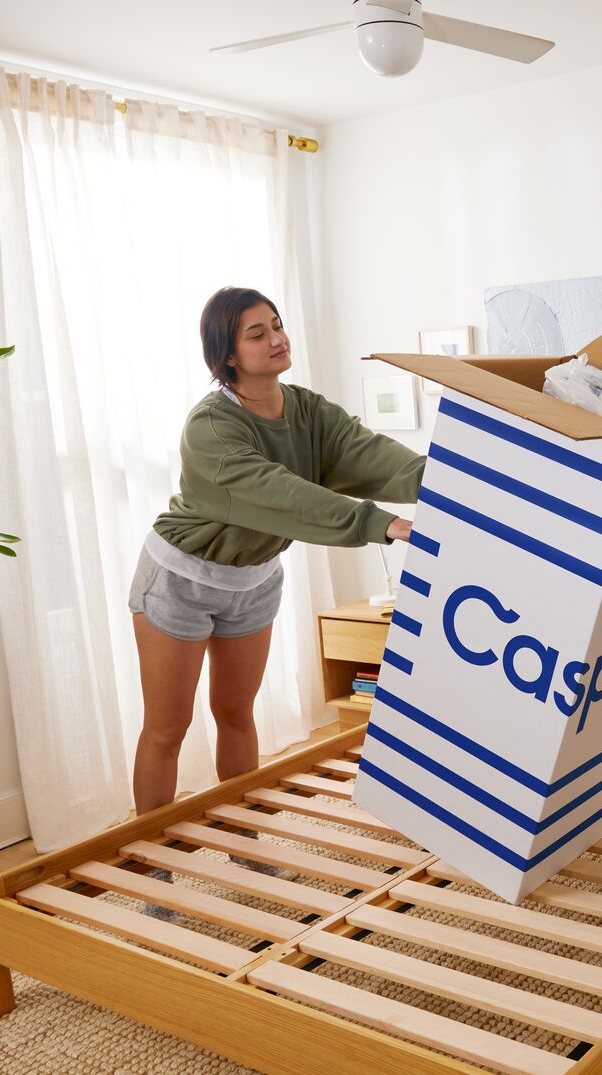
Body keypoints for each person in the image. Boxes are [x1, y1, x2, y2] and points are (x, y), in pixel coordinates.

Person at [127, 287, 423, 904]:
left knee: (236, 714)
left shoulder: (307, 410)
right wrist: (379, 523)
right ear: (227, 354)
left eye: (277, 326)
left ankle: (247, 841)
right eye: (256, 333)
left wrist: (459, 479)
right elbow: (279, 493)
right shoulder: (211, 427)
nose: (276, 339)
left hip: (253, 579)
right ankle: (152, 870)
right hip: (180, 577)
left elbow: (372, 454)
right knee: (168, 727)